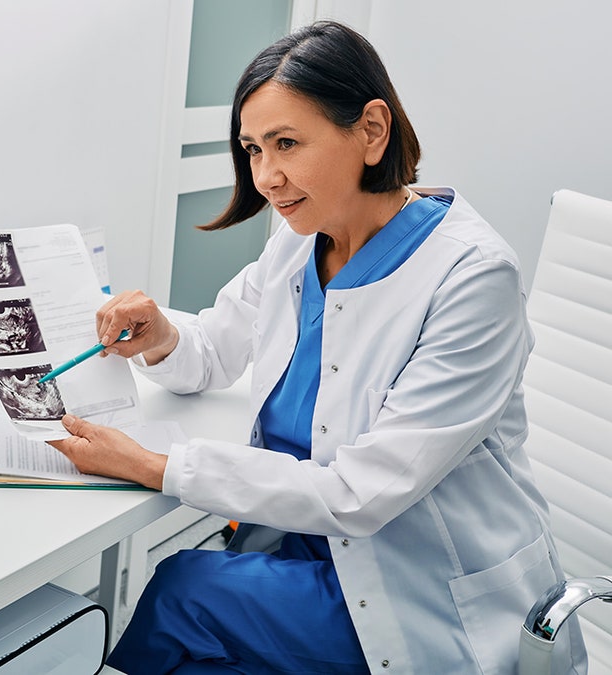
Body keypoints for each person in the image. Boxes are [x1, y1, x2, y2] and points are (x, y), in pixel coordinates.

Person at [48, 21, 585, 674]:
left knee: (183, 592)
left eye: (286, 143)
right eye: (252, 150)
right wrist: (161, 334)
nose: (268, 176)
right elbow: (216, 348)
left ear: (371, 130)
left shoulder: (472, 277)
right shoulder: (301, 237)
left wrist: (157, 465)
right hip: (312, 549)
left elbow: (360, 492)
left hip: (421, 590)